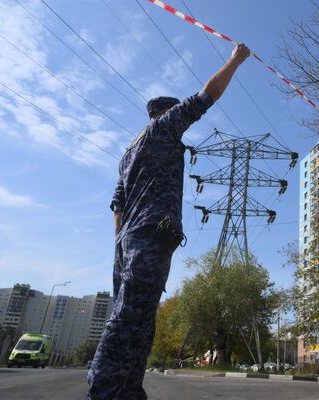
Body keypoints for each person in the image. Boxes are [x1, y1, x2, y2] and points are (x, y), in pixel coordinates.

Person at [87, 43, 251, 400]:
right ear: (164, 113)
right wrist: (235, 60)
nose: (180, 118)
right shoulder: (162, 130)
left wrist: (121, 245)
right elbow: (205, 97)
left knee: (139, 317)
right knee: (132, 317)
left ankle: (127, 391)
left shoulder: (128, 151)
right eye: (175, 112)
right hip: (148, 236)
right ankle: (103, 391)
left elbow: (117, 203)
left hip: (130, 241)